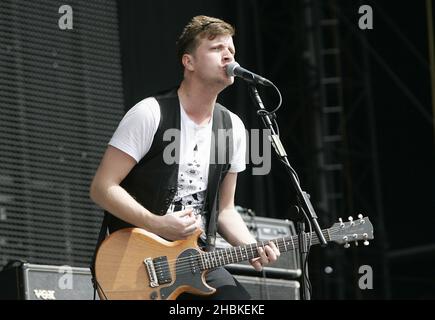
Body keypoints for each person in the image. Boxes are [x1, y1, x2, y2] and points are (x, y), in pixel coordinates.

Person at [89, 15, 280, 300]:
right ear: (188, 62)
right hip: (138, 261)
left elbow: (225, 210)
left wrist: (251, 245)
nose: (228, 55)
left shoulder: (232, 128)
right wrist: (156, 223)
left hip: (195, 259)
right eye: (216, 48)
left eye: (232, 50)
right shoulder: (150, 113)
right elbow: (102, 188)